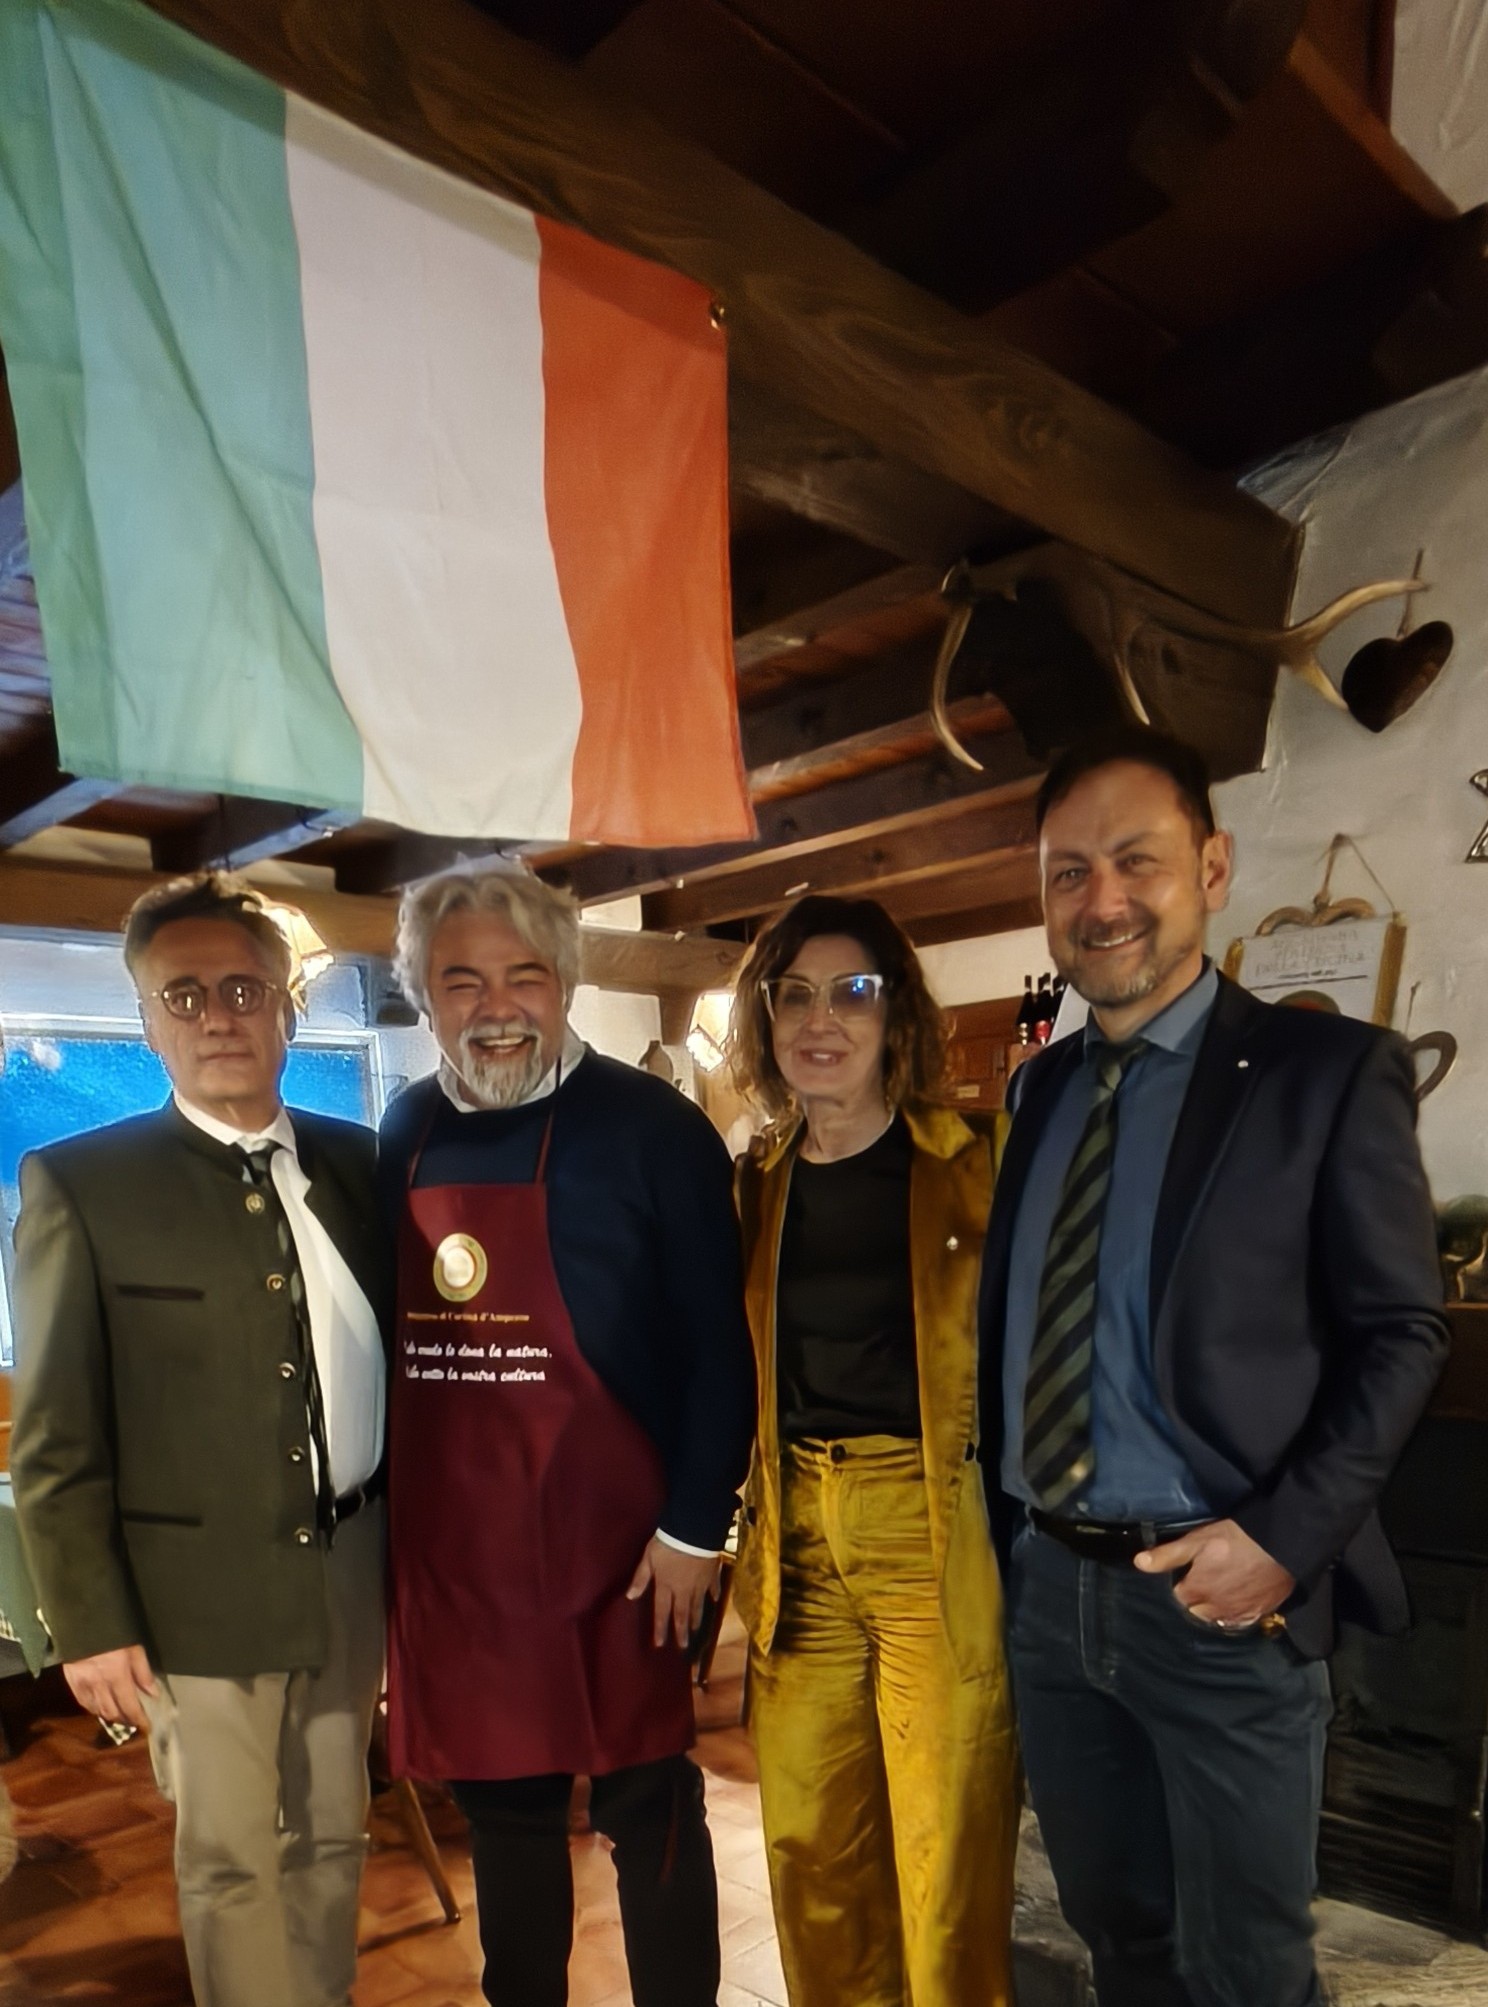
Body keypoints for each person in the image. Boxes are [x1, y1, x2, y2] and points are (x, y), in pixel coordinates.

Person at [979, 727, 1448, 2007]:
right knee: (1118, 1939)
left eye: (1136, 860)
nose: (1103, 900)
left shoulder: (1327, 1073)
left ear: (1215, 867)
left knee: (1249, 1969)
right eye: (1069, 872)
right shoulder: (1037, 1094)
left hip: (1219, 1600)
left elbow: (1403, 1333)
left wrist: (1283, 1541)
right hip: (1051, 1595)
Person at [379, 862, 756, 2007]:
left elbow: (720, 1351)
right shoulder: (406, 1125)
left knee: (651, 1806)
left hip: (628, 1553)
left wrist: (695, 1529)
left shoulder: (656, 1130)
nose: (496, 1007)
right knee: (505, 1812)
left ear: (570, 981)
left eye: (525, 976)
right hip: (467, 1563)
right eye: (462, 981)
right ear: (423, 996)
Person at [9, 873, 386, 2007]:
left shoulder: (363, 1163)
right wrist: (89, 1620)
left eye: (243, 989)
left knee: (335, 1833)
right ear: (147, 1021)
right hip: (191, 1591)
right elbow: (57, 1437)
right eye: (185, 995)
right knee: (230, 1860)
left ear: (287, 1010)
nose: (218, 1015)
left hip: (352, 1566)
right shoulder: (82, 1183)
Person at [729, 895, 1019, 2007]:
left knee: (946, 1868)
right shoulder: (757, 1183)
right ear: (766, 1019)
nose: (821, 1019)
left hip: (930, 1534)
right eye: (795, 995)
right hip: (795, 1542)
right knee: (813, 1856)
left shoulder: (978, 1161)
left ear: (895, 1013)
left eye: (851, 992)